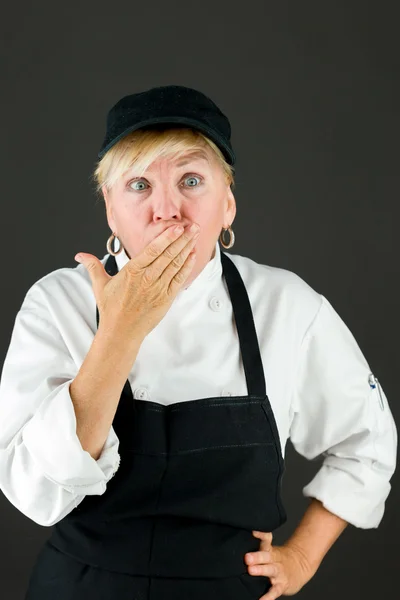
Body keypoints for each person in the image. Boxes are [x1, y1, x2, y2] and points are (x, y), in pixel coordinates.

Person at [0, 84, 397, 600]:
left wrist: (301, 556)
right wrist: (119, 330)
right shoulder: (58, 303)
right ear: (110, 212)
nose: (167, 210)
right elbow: (36, 494)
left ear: (228, 203)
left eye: (191, 180)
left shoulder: (286, 304)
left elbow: (366, 443)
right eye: (138, 185)